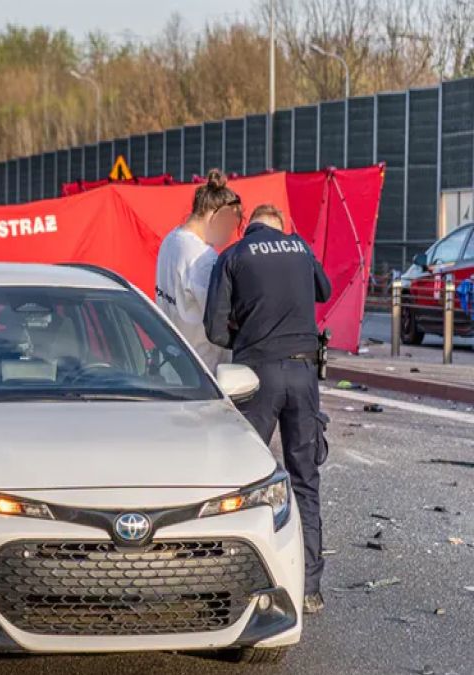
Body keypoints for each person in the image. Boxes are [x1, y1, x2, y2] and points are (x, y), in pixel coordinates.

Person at [204, 203, 332, 616]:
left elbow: (214, 328)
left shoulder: (233, 256)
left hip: (255, 375)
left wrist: (246, 332)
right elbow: (324, 291)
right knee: (305, 480)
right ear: (280, 228)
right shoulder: (299, 247)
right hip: (303, 372)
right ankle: (309, 588)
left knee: (244, 478)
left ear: (248, 226)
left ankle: (238, 582)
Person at [154, 169, 240, 370]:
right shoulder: (203, 259)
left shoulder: (171, 240)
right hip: (203, 368)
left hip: (172, 360)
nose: (228, 234)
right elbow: (222, 314)